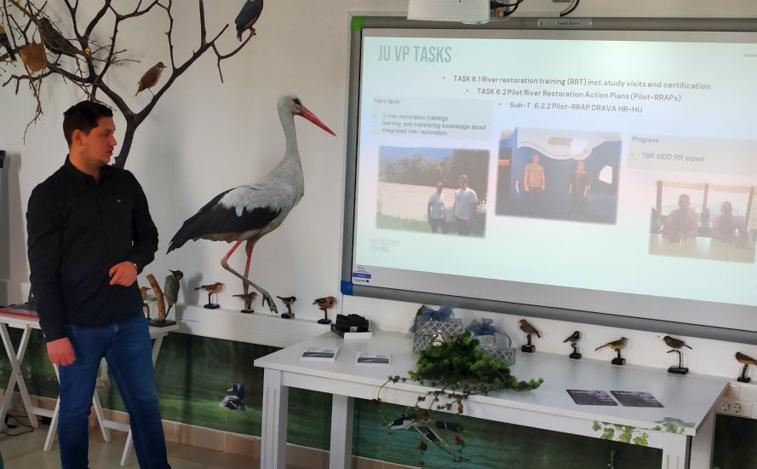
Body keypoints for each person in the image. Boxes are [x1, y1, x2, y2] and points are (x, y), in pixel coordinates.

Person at [26, 101, 170, 469]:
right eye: (105, 134)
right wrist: (54, 333)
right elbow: (42, 272)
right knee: (75, 411)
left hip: (128, 320)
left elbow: (149, 237)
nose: (113, 141)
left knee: (145, 405)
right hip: (77, 327)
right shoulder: (48, 196)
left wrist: (135, 263)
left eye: (113, 133)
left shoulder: (125, 182)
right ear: (79, 138)